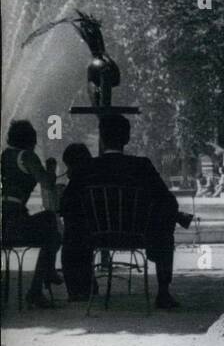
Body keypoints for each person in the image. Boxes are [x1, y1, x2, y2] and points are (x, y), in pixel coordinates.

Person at [61, 114, 190, 309]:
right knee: (165, 224)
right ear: (127, 138)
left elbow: (65, 205)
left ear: (102, 139)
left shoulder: (86, 168)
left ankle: (79, 287)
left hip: (96, 237)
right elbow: (169, 202)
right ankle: (163, 293)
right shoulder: (142, 166)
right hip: (138, 235)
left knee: (74, 222)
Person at [1, 120, 62, 308]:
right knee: (51, 220)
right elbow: (47, 184)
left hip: (7, 222)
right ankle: (38, 287)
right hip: (18, 221)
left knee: (49, 232)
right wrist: (51, 167)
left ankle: (46, 277)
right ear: (30, 139)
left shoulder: (5, 155)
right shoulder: (27, 157)